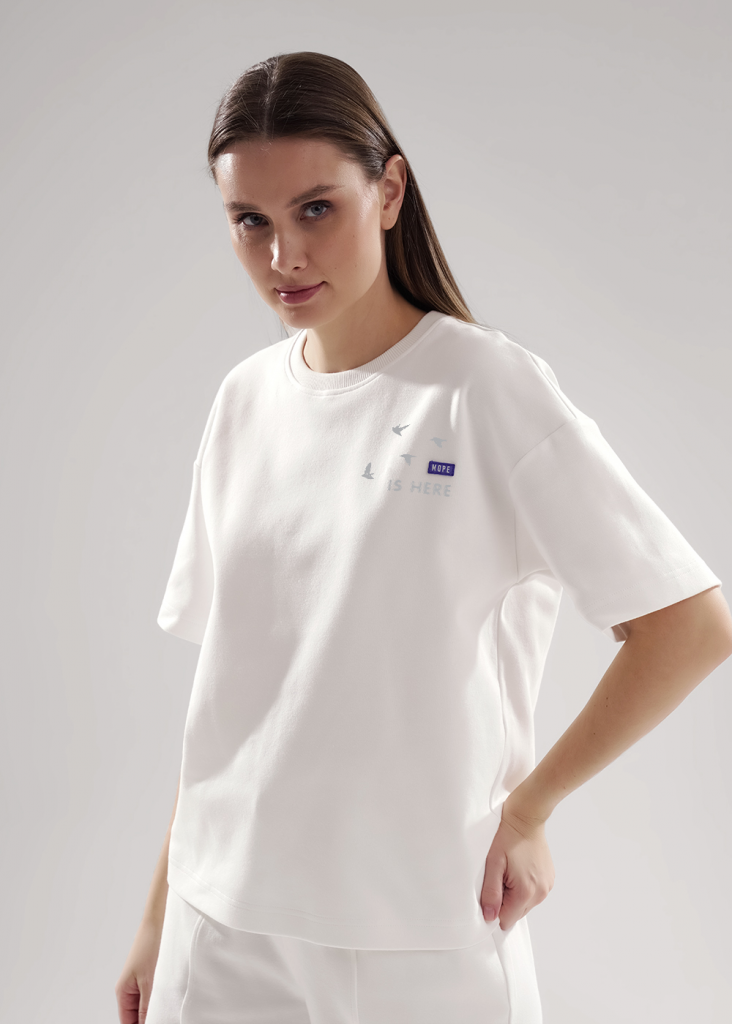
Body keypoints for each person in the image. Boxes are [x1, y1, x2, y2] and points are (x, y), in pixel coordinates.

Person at [115, 51, 732, 1024]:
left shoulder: (483, 390)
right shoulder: (244, 402)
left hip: (417, 935)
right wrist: (160, 917)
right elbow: (230, 698)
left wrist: (530, 809)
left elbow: (689, 625)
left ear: (390, 190)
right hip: (220, 929)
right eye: (250, 221)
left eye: (316, 209)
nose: (283, 257)